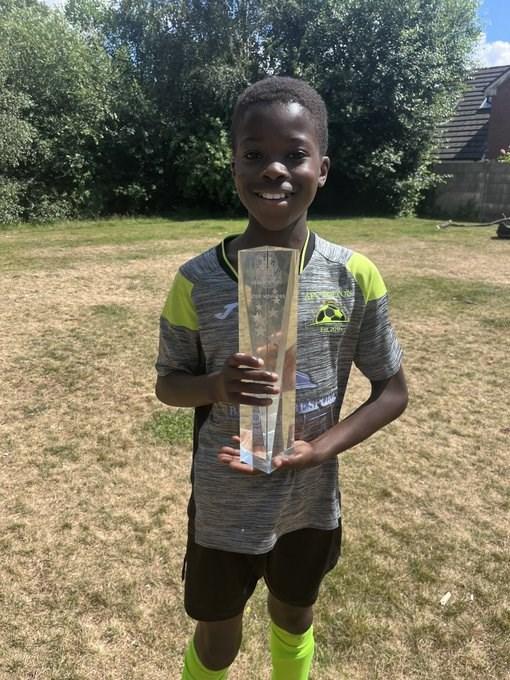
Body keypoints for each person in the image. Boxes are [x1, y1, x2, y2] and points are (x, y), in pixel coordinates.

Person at [155, 76, 408, 680]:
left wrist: (320, 449)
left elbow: (392, 391)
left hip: (308, 501)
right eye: (254, 154)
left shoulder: (354, 275)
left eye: (294, 154)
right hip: (224, 502)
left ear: (322, 169)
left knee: (294, 616)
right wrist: (216, 387)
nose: (274, 169)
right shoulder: (197, 279)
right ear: (234, 167)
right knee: (218, 639)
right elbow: (168, 383)